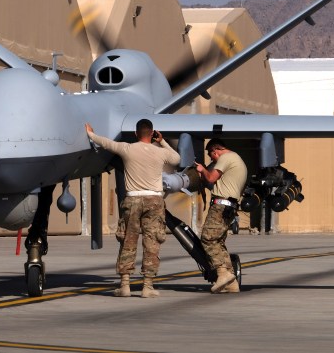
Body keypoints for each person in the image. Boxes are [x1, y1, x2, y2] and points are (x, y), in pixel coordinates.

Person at [85, 119, 180, 298]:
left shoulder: (127, 149)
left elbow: (106, 143)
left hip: (133, 199)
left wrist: (91, 134)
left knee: (128, 241)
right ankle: (147, 286)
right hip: (154, 200)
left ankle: (125, 285)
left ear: (136, 134)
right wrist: (162, 141)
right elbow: (177, 159)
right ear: (152, 133)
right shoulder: (160, 152)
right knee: (152, 242)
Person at [194, 138, 247, 294]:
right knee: (218, 242)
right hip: (229, 207)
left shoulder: (226, 157)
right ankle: (231, 283)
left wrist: (202, 169)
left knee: (208, 238)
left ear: (215, 150)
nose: (213, 160)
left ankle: (223, 274)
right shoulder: (238, 159)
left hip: (220, 205)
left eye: (212, 156)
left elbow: (211, 178)